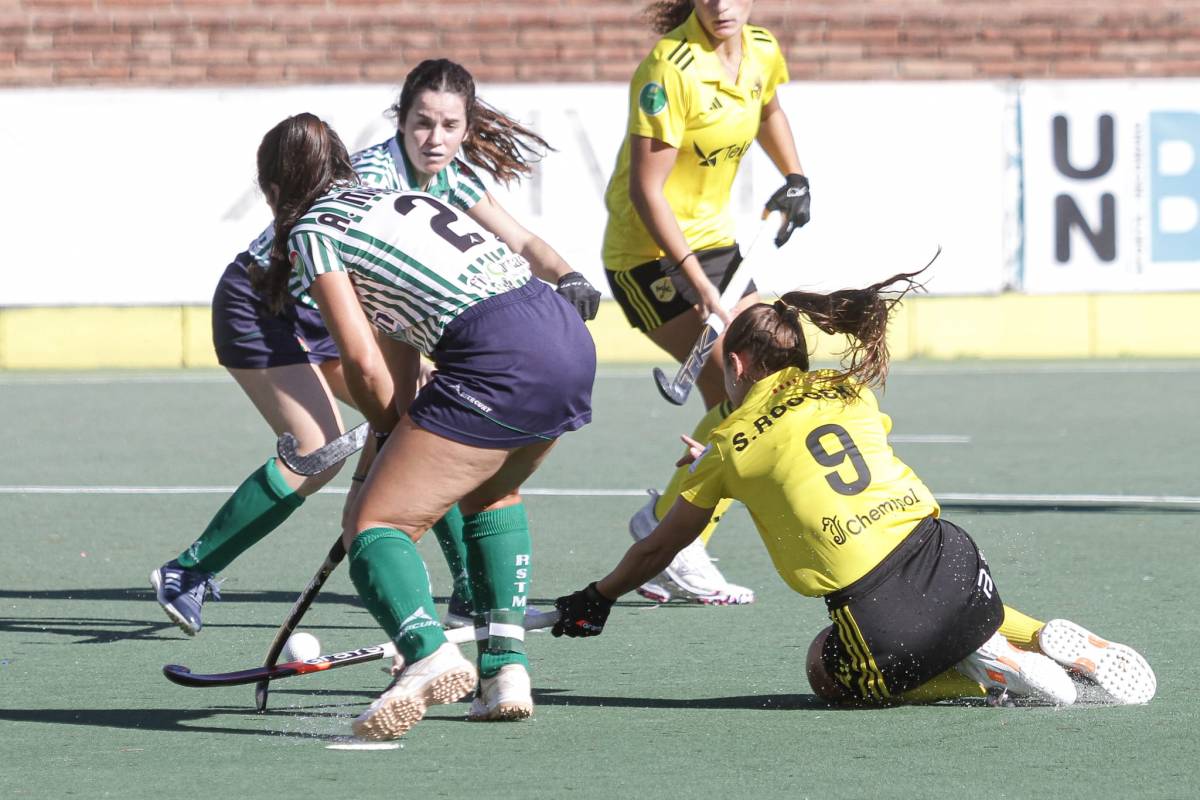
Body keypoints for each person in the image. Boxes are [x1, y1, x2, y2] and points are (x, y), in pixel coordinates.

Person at [552, 273, 1156, 708]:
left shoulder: (729, 444)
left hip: (881, 614)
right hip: (954, 558)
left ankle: (990, 675)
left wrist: (598, 596)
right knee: (952, 610)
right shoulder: (846, 389)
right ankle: (1040, 636)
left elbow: (661, 549)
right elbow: (806, 453)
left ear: (736, 367)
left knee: (828, 669)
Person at [150, 59, 600, 637]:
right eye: (421, 124)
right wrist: (390, 424)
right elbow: (372, 323)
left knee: (426, 428)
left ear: (467, 127)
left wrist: (568, 276)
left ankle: (468, 592)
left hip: (343, 313)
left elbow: (521, 239)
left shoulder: (454, 179)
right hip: (266, 301)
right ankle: (187, 572)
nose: (433, 139)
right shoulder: (369, 177)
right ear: (400, 119)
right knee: (321, 450)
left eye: (447, 126)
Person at [257, 112, 595, 738]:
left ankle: (428, 654)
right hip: (564, 339)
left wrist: (384, 436)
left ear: (276, 188)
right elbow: (400, 343)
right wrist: (395, 425)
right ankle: (505, 669)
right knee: (492, 492)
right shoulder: (395, 195)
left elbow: (358, 355)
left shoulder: (313, 229)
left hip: (497, 353)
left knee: (374, 524)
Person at [602, 0, 812, 605]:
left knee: (764, 376)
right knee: (727, 386)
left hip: (717, 241)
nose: (722, 5)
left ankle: (668, 525)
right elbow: (646, 190)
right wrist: (698, 284)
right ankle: (672, 538)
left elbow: (770, 106)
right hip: (648, 254)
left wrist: (796, 176)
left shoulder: (762, 48)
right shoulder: (669, 69)